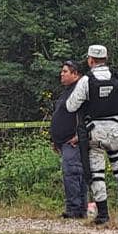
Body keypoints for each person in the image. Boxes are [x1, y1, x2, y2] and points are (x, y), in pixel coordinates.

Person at [64, 45, 118, 226]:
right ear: (106, 57)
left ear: (90, 60)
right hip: (116, 130)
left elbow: (71, 106)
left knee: (97, 174)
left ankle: (103, 214)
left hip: (95, 131)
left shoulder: (86, 80)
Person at [50, 61, 86, 219]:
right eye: (62, 71)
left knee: (73, 173)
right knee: (72, 173)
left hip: (74, 141)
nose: (62, 74)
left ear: (75, 74)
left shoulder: (80, 91)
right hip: (64, 141)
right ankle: (77, 208)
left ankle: (75, 209)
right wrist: (56, 139)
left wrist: (81, 135)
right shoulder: (67, 91)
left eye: (65, 71)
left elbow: (87, 115)